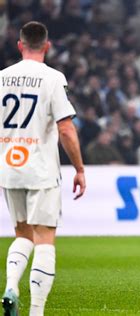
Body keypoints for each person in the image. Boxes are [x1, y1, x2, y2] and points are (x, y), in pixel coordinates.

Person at [0, 21, 86, 316]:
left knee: (22, 234)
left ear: (20, 45)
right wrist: (79, 168)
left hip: (9, 168)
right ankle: (36, 311)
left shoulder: (1, 78)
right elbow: (65, 128)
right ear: (46, 46)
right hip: (41, 169)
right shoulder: (52, 78)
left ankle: (11, 285)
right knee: (44, 239)